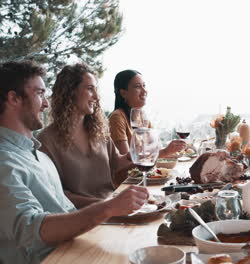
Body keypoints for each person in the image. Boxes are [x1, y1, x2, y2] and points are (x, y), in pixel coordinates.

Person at [0, 60, 148, 264]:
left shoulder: (37, 156)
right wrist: (108, 208)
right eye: (40, 93)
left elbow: (66, 210)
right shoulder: (6, 161)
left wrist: (117, 211)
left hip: (79, 245)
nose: (46, 103)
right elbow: (30, 229)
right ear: (13, 98)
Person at [38, 63, 134, 208]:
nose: (96, 96)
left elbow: (116, 163)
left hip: (112, 210)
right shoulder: (46, 141)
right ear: (70, 92)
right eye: (90, 89)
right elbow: (57, 194)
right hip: (80, 219)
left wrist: (139, 154)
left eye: (96, 90)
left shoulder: (99, 131)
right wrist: (106, 204)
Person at [108, 69, 185, 155]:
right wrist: (165, 151)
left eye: (144, 86)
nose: (144, 91)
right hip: (130, 169)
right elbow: (125, 158)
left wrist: (170, 150)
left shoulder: (142, 116)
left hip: (145, 167)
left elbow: (157, 147)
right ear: (123, 93)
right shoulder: (117, 117)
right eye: (137, 86)